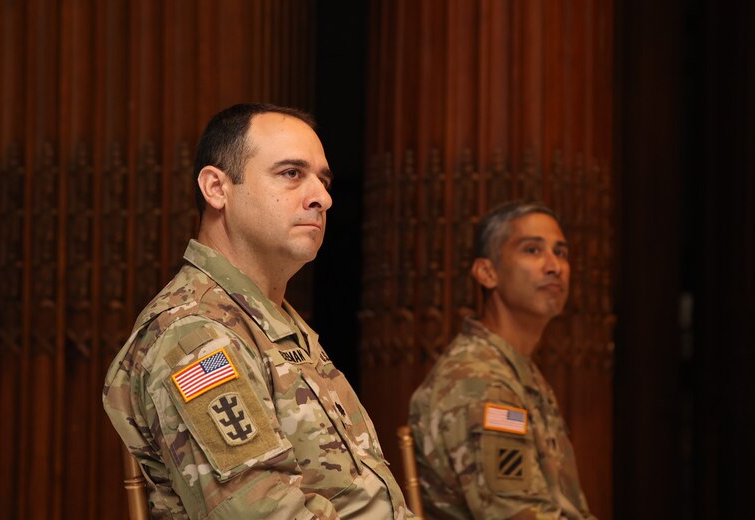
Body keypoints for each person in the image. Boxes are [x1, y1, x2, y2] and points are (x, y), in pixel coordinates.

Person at [104, 103, 412, 519]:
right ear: (216, 188)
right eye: (291, 174)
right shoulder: (195, 333)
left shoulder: (270, 319)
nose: (322, 197)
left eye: (323, 180)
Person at [408, 201, 596, 519]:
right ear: (487, 272)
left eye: (560, 252)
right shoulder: (480, 382)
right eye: (533, 250)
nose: (554, 266)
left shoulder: (514, 369)